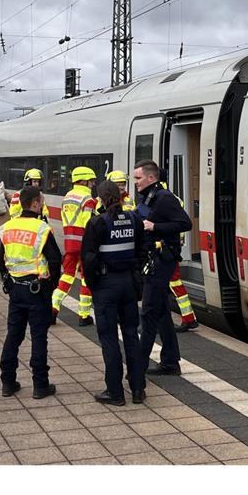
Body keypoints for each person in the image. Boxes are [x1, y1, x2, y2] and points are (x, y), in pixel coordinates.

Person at [82, 179, 148, 406]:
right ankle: (138, 390)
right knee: (131, 335)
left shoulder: (97, 223)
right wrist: (136, 279)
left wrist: (94, 286)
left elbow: (88, 260)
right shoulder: (133, 219)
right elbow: (142, 252)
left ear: (100, 198)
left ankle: (115, 392)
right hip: (128, 284)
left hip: (106, 285)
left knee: (109, 338)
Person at [0, 185, 61, 400]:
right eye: (41, 201)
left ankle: (7, 382)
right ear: (34, 204)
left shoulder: (8, 228)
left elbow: (1, 261)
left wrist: (9, 280)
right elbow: (54, 261)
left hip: (16, 291)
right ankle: (40, 385)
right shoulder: (42, 229)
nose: (42, 204)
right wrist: (49, 287)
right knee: (39, 337)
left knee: (13, 335)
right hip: (37, 291)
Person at [133, 159, 191, 376]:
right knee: (161, 312)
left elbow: (185, 223)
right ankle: (170, 361)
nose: (135, 182)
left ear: (150, 177)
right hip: (152, 259)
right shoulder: (148, 196)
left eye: (138, 178)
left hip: (162, 260)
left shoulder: (164, 198)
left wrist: (155, 226)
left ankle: (138, 367)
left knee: (148, 312)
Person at [51, 166, 97, 326]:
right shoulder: (88, 199)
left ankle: (53, 307)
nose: (93, 184)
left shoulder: (67, 197)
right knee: (86, 279)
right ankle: (83, 315)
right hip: (84, 245)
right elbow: (88, 224)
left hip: (70, 244)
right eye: (91, 181)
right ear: (84, 181)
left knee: (67, 276)